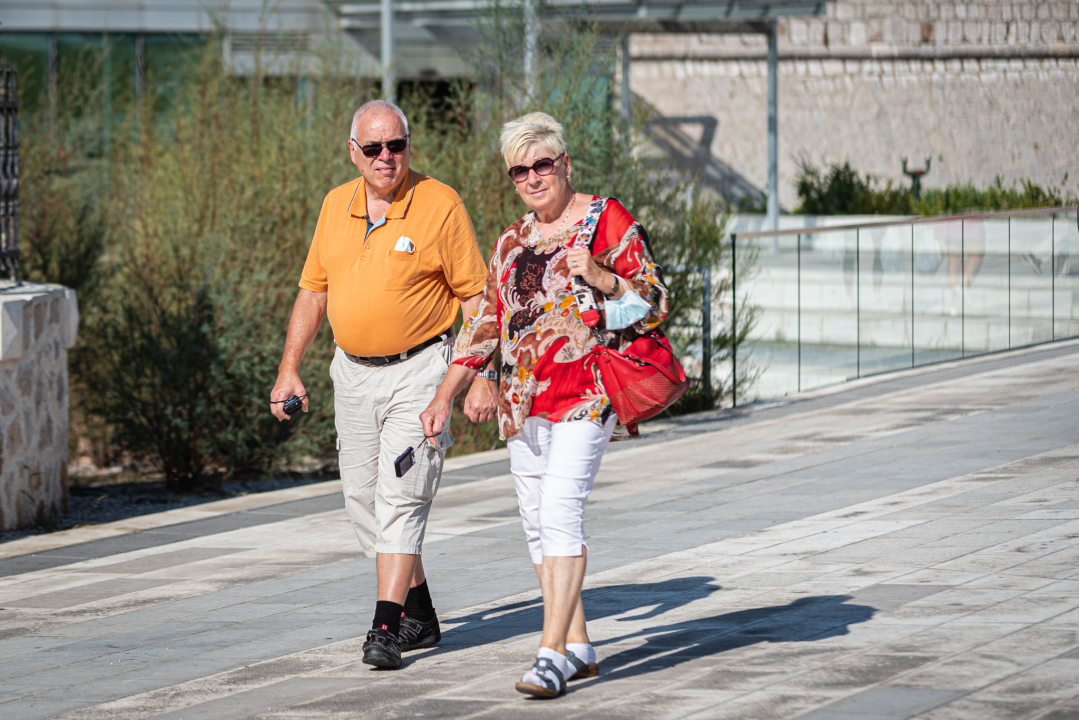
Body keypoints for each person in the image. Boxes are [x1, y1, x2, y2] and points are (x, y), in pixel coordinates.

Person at [420, 112, 670, 698]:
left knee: (561, 509)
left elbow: (656, 303)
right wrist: (447, 394)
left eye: (542, 165)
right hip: (522, 401)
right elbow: (485, 323)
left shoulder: (605, 219)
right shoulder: (510, 242)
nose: (532, 177)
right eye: (519, 170)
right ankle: (580, 645)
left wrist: (605, 281)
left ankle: (550, 652)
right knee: (537, 522)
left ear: (564, 164)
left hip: (587, 390)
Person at [270, 100, 496, 669]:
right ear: (354, 153)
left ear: (408, 146)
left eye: (396, 145)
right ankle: (419, 611)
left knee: (402, 494)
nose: (386, 157)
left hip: (420, 370)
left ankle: (386, 629)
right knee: (363, 503)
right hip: (351, 373)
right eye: (373, 148)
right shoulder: (333, 206)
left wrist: (480, 376)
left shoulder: (439, 204)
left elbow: (478, 301)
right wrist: (288, 366)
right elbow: (313, 291)